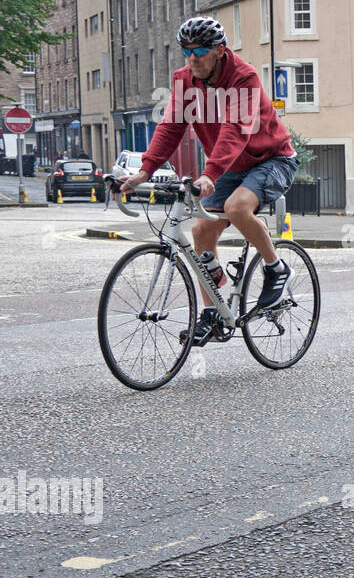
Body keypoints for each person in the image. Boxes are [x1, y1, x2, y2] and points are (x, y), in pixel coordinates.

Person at [120, 17, 298, 344]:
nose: (192, 58)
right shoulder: (184, 81)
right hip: (230, 166)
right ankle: (213, 312)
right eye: (186, 51)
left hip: (271, 159)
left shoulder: (244, 78)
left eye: (200, 51)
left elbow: (235, 132)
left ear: (219, 50)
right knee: (201, 229)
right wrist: (144, 171)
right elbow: (171, 128)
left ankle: (276, 268)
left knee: (237, 207)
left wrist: (209, 174)